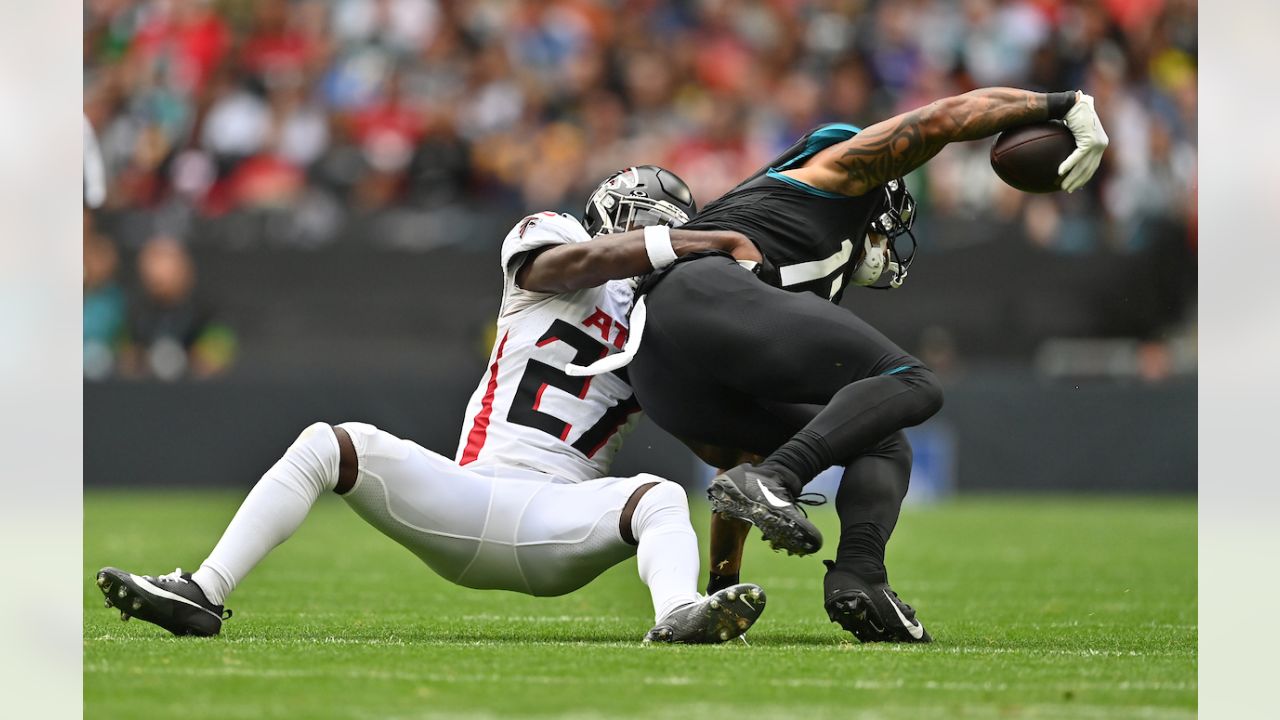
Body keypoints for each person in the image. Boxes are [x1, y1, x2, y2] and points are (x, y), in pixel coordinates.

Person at [95, 165, 770, 644]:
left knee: (658, 494)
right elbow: (570, 266)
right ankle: (202, 592)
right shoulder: (553, 236)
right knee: (331, 442)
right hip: (468, 494)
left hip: (561, 521)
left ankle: (680, 613)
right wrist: (695, 243)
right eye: (656, 233)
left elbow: (714, 440)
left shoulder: (664, 322)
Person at [617, 88, 1109, 643]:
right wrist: (1058, 104)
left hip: (659, 368)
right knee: (912, 381)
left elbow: (736, 465)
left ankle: (859, 579)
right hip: (695, 291)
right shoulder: (834, 174)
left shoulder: (784, 281)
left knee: (880, 439)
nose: (887, 235)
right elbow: (942, 119)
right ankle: (782, 480)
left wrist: (720, 584)